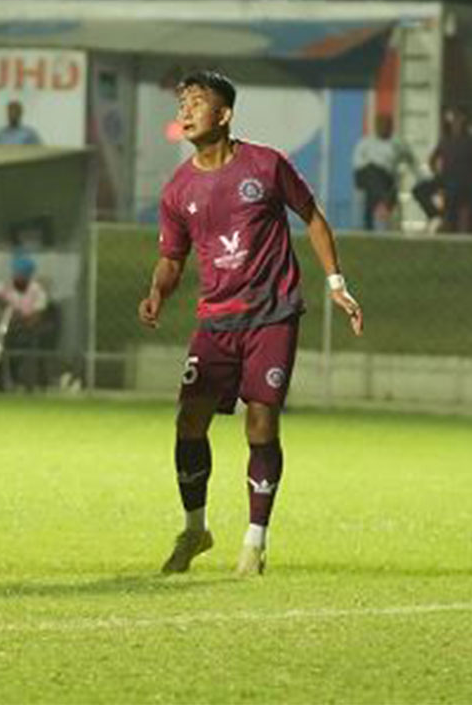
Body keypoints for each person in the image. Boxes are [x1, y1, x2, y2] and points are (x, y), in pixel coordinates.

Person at [138, 71, 363, 578]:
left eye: (197, 102)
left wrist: (336, 284)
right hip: (215, 321)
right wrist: (157, 293)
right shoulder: (177, 189)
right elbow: (172, 259)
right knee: (189, 421)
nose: (186, 111)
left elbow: (313, 217)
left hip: (272, 314)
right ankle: (195, 530)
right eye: (182, 103)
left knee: (261, 422)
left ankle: (254, 541)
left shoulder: (266, 164)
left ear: (224, 114)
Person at [411, 107, 472, 232]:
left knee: (456, 199)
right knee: (419, 190)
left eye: (459, 120)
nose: (456, 124)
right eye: (454, 120)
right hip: (446, 178)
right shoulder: (445, 140)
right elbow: (432, 159)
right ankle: (436, 214)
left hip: (465, 182)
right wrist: (436, 173)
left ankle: (453, 227)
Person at [0, 253, 55, 391]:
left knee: (29, 344)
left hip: (30, 330)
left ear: (28, 275)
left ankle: (31, 383)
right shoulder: (7, 287)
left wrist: (22, 319)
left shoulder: (37, 290)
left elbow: (37, 316)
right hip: (9, 330)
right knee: (1, 348)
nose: (17, 277)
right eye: (16, 273)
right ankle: (2, 382)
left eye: (21, 274)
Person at [351, 114, 414, 230]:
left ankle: (374, 216)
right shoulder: (366, 142)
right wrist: (373, 167)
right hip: (365, 175)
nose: (383, 128)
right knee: (372, 171)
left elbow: (410, 159)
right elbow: (357, 163)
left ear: (391, 127)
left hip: (385, 179)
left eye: (386, 126)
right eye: (381, 125)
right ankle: (383, 203)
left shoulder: (397, 144)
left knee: (378, 185)